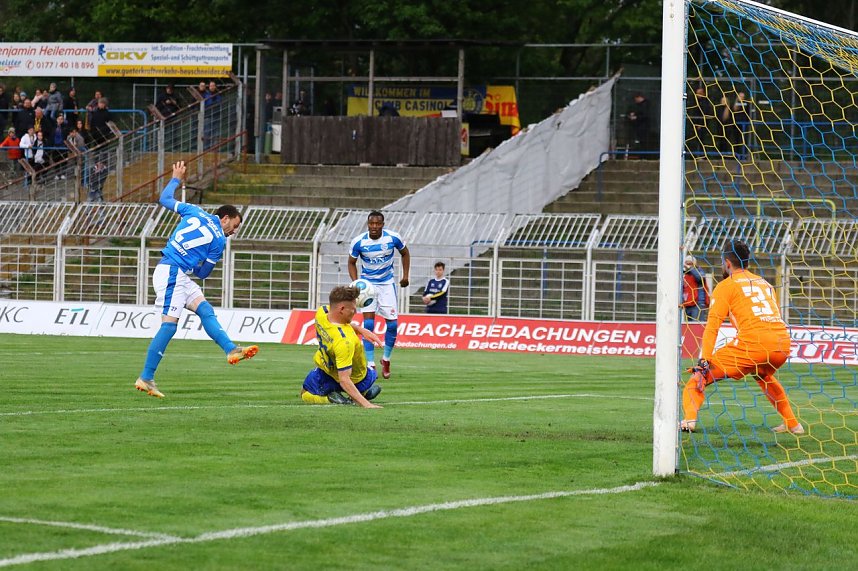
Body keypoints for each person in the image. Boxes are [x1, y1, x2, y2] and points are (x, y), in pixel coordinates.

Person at [135, 161, 258, 399]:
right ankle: (146, 377)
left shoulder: (194, 210)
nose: (234, 231)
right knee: (169, 326)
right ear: (225, 218)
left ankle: (231, 349)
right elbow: (203, 274)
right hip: (173, 273)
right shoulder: (219, 240)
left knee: (205, 309)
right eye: (234, 226)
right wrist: (198, 261)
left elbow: (164, 199)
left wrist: (176, 178)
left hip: (174, 271)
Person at [680, 239, 803, 435]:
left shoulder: (726, 286)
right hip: (782, 343)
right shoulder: (765, 284)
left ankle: (689, 421)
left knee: (698, 378)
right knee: (762, 374)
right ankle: (793, 424)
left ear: (727, 263)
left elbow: (712, 327)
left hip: (753, 344)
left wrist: (704, 361)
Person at [348, 210, 411, 380]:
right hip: (368, 286)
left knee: (392, 325)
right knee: (368, 324)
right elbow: (351, 263)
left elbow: (405, 253)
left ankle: (386, 359)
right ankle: (370, 364)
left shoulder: (392, 238)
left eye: (377, 224)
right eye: (371, 223)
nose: (374, 226)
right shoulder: (359, 242)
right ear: (368, 224)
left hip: (387, 284)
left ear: (383, 225)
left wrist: (405, 276)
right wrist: (356, 283)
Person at [301, 285, 384, 408]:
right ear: (342, 309)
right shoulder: (345, 341)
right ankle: (362, 394)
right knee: (364, 377)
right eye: (353, 309)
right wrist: (367, 405)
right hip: (355, 379)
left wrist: (361, 330)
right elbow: (344, 380)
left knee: (305, 394)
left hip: (326, 370)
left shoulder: (322, 312)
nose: (355, 312)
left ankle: (330, 399)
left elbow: (339, 324)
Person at [680, 255, 709, 321]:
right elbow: (683, 289)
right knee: (689, 325)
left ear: (694, 264)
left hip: (698, 304)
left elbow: (700, 278)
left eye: (690, 264)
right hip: (688, 304)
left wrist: (691, 269)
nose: (688, 265)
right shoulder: (685, 275)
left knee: (696, 324)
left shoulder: (700, 271)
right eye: (687, 264)